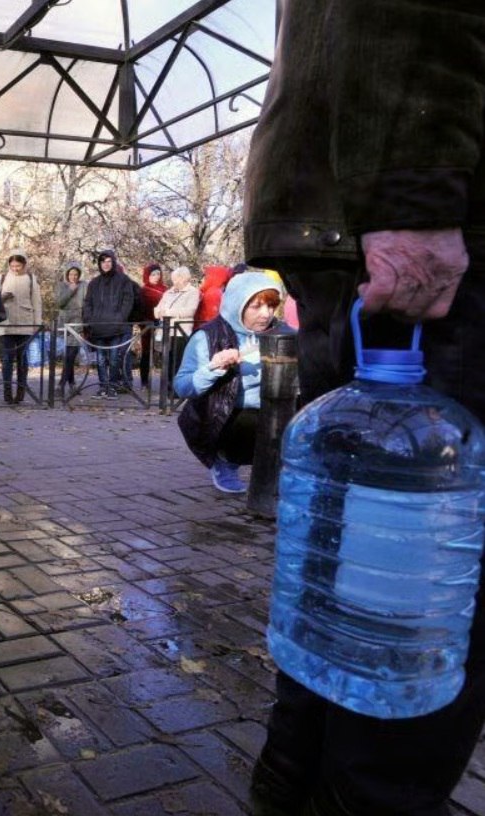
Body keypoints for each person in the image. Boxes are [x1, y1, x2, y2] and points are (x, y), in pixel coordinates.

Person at [243, 3, 485, 813]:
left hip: (361, 201)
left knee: (341, 600)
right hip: (421, 221)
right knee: (408, 607)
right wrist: (413, 195)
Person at [173, 272, 282, 494]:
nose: (265, 314)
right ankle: (225, 460)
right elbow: (182, 386)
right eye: (256, 306)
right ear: (237, 304)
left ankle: (278, 469)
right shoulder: (208, 337)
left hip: (272, 408)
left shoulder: (281, 333)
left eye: (271, 306)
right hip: (224, 413)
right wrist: (213, 368)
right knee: (250, 421)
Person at [81, 249, 140, 397]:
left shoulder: (123, 280)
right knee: (100, 360)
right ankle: (102, 386)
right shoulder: (94, 283)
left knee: (114, 358)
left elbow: (128, 301)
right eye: (103, 261)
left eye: (109, 261)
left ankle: (112, 387)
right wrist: (90, 319)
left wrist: (120, 318)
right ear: (99, 263)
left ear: (113, 262)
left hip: (116, 327)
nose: (106, 264)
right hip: (99, 327)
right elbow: (88, 303)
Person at [0, 253, 43, 405]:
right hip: (6, 323)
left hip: (25, 323)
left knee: (22, 360)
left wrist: (37, 324)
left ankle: (21, 392)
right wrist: (2, 297)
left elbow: (37, 301)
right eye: (12, 266)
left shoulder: (30, 278)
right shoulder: (2, 278)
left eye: (18, 266)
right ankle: (7, 392)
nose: (15, 269)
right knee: (6, 360)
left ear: (24, 265)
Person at [153, 266, 201, 388]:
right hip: (165, 330)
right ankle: (166, 387)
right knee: (166, 361)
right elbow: (158, 308)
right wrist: (159, 312)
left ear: (184, 278)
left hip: (181, 331)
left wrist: (168, 312)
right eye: (173, 279)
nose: (174, 282)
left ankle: (177, 388)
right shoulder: (168, 292)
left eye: (176, 279)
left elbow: (190, 311)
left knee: (178, 361)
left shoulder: (193, 292)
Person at [55, 262, 86, 396]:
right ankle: (72, 384)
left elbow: (87, 302)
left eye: (76, 274)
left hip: (78, 323)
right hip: (64, 324)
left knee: (71, 354)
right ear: (67, 274)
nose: (73, 277)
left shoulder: (84, 285)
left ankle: (61, 384)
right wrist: (70, 290)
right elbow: (59, 303)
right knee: (68, 355)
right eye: (71, 274)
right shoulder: (61, 286)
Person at [138, 263, 168, 386]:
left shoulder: (166, 290)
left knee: (165, 353)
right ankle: (144, 382)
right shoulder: (142, 291)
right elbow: (139, 309)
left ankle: (166, 382)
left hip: (163, 325)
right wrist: (145, 322)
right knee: (146, 353)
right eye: (153, 274)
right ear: (147, 276)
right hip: (148, 325)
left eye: (158, 274)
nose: (156, 276)